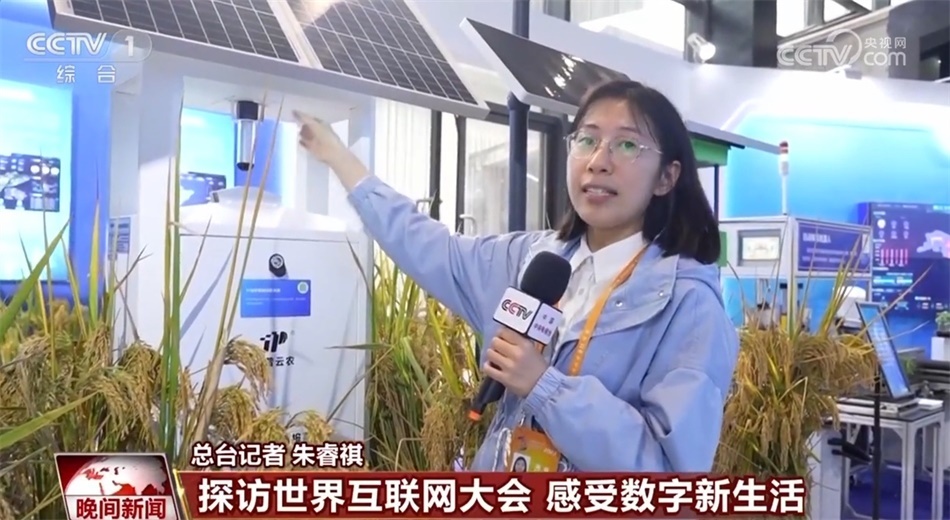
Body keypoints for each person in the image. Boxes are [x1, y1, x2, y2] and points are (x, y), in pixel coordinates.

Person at [295, 79, 739, 472]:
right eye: (587, 139)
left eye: (626, 146)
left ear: (666, 177)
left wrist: (545, 386)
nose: (598, 161)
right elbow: (427, 245)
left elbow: (669, 470)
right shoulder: (528, 260)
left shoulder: (688, 305)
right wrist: (340, 158)